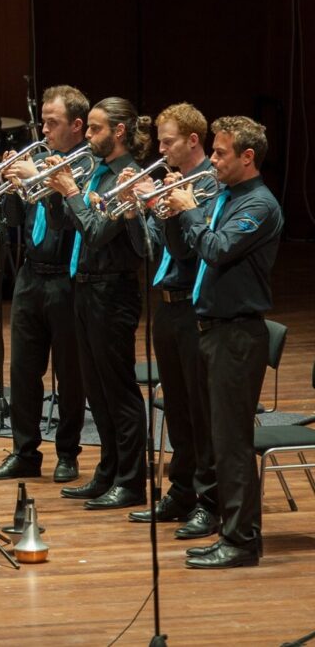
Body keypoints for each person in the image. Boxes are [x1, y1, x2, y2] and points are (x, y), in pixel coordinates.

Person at [162, 116, 281, 569]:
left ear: (247, 157)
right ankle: (229, 532)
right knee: (217, 438)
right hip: (211, 329)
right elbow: (187, 250)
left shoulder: (260, 206)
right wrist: (175, 213)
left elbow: (216, 249)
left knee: (232, 443)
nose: (211, 160)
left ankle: (242, 541)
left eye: (220, 153)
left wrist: (190, 208)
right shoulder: (227, 197)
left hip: (238, 335)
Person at [44, 97, 149, 510]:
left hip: (114, 291)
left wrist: (70, 190)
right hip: (85, 287)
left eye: (95, 129)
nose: (86, 137)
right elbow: (64, 224)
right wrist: (54, 192)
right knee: (97, 391)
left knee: (118, 390)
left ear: (119, 132)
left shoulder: (127, 177)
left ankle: (131, 480)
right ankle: (107, 471)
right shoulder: (97, 173)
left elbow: (95, 232)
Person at [0, 86, 89, 484]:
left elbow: (66, 219)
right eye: (42, 121)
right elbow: (12, 220)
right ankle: (24, 452)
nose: (43, 130)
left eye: (53, 123)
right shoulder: (38, 159)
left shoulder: (86, 165)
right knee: (23, 371)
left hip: (67, 278)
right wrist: (11, 184)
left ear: (77, 126)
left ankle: (68, 452)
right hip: (30, 275)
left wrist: (40, 183)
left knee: (69, 371)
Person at [123, 104, 218, 538]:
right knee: (176, 409)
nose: (159, 149)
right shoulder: (172, 183)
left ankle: (208, 500)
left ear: (192, 141)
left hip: (196, 309)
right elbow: (155, 248)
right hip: (165, 306)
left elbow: (191, 252)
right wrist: (140, 207)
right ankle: (181, 493)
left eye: (168, 142)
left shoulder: (211, 187)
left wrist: (178, 206)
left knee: (200, 412)